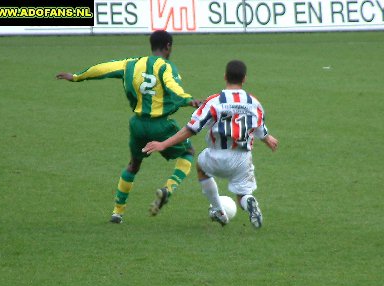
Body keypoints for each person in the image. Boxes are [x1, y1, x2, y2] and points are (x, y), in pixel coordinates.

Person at [56, 30, 200, 224]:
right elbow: (172, 85)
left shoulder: (131, 64)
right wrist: (189, 100)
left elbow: (103, 69)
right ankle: (168, 188)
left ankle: (117, 212)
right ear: (168, 47)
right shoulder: (166, 67)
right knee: (188, 151)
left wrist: (76, 77)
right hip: (161, 124)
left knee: (134, 164)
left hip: (138, 125)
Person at [143, 60, 278, 228]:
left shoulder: (215, 101)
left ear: (224, 77)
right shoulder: (253, 102)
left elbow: (191, 128)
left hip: (216, 156)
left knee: (201, 166)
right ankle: (249, 201)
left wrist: (163, 144)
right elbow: (258, 125)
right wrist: (268, 139)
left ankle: (218, 210)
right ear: (244, 79)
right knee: (243, 194)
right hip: (243, 159)